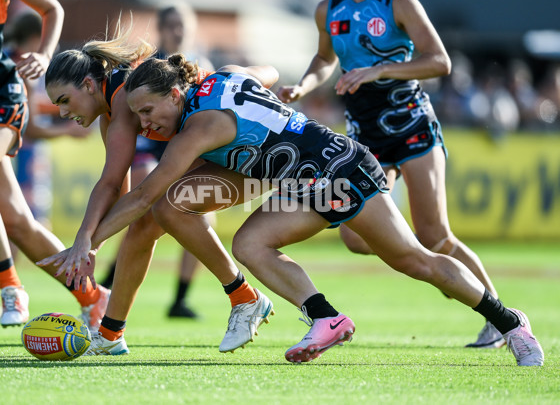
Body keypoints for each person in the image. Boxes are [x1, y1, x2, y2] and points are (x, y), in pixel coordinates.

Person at [40, 54, 543, 366]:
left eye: (149, 111)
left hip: (340, 171)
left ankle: (510, 322)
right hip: (299, 183)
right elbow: (263, 73)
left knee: (414, 260)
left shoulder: (199, 127)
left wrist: (87, 241)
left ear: (177, 93)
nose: (145, 123)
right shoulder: (219, 79)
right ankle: (324, 318)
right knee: (249, 243)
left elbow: (143, 194)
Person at [276, 0, 506, 349]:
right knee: (354, 238)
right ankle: (435, 265)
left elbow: (439, 61)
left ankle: (500, 318)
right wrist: (303, 86)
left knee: (436, 235)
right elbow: (324, 59)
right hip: (366, 134)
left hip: (411, 125)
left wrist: (378, 70)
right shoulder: (328, 8)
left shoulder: (397, 0)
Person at [41, 22, 273, 355]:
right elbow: (116, 189)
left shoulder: (122, 103)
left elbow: (118, 188)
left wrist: (86, 242)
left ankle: (245, 298)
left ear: (89, 85)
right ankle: (109, 334)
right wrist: (87, 241)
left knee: (163, 209)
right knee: (145, 223)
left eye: (64, 100)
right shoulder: (113, 109)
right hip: (234, 155)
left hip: (259, 154)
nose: (62, 112)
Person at [0, 0, 108, 328]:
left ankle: (9, 287)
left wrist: (44, 55)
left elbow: (52, 8)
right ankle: (94, 297)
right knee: (18, 223)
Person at [99, 2, 215, 319]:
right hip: (151, 146)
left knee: (204, 214)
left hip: (186, 148)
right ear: (161, 29)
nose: (178, 31)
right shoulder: (147, 66)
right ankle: (110, 281)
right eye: (172, 25)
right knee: (143, 202)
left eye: (183, 25)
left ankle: (180, 299)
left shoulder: (201, 64)